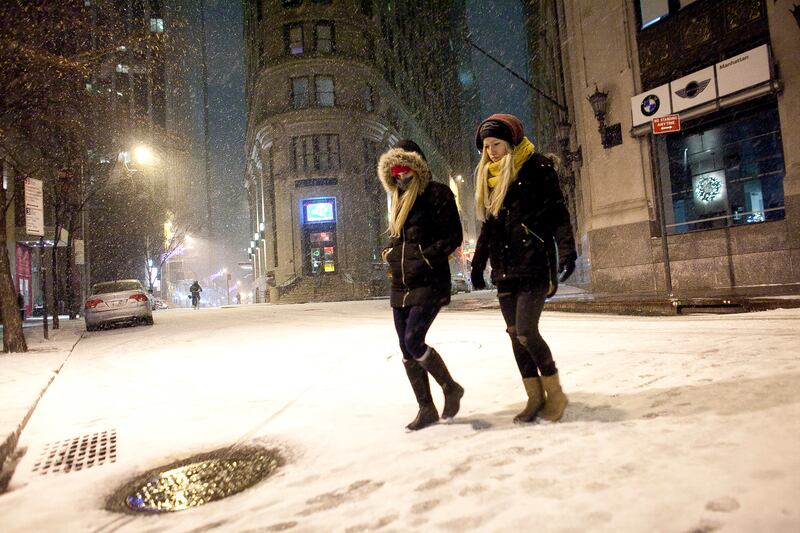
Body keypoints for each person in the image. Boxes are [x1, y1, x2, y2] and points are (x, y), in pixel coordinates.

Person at [470, 114, 577, 423]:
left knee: (527, 332)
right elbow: (489, 226)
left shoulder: (537, 167)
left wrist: (567, 251)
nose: (491, 152)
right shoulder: (490, 178)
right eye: (486, 147)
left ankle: (555, 393)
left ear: (511, 142)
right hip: (505, 268)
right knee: (515, 335)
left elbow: (558, 212)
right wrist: (478, 264)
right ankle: (534, 396)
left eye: (496, 144)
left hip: (534, 263)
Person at [378, 139, 465, 431]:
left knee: (414, 340)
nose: (401, 176)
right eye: (396, 172)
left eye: (406, 170)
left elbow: (453, 236)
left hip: (429, 281)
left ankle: (450, 387)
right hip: (401, 284)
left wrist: (427, 257)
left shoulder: (438, 194)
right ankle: (426, 408)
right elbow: (398, 237)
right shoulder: (398, 199)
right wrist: (389, 252)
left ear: (418, 167)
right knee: (405, 349)